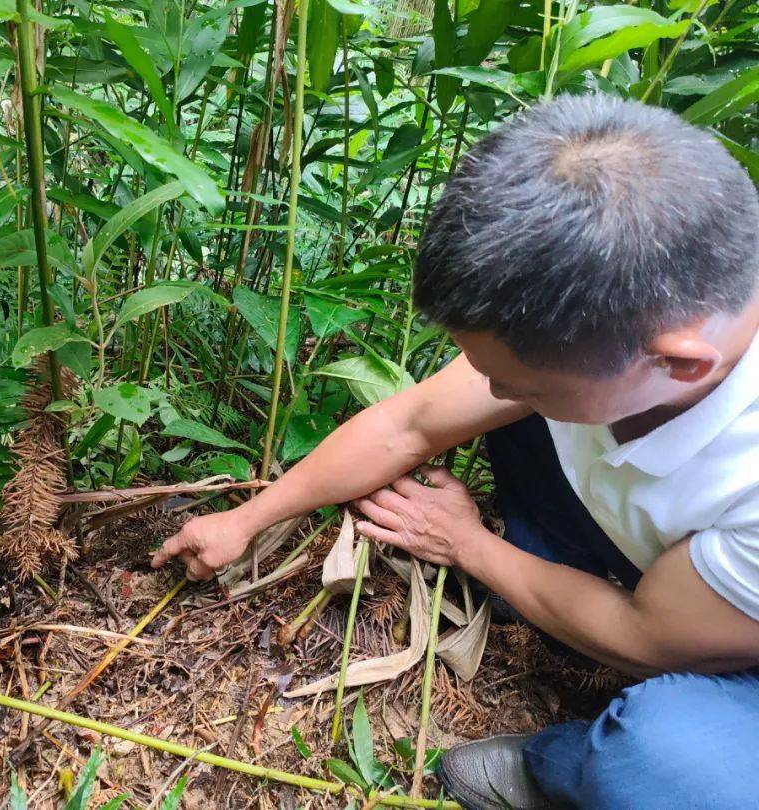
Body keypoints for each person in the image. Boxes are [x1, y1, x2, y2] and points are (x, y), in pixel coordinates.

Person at [151, 94, 759, 808]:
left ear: (679, 364)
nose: (488, 387)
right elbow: (410, 426)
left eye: (519, 379)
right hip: (698, 569)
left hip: (719, 641)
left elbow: (647, 635)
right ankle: (560, 579)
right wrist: (246, 520)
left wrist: (467, 544)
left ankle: (563, 767)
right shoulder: (641, 315)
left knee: (659, 766)